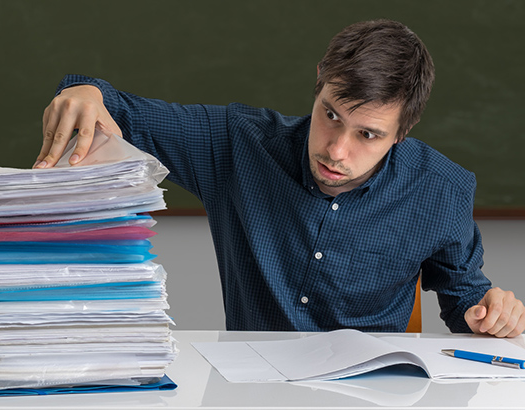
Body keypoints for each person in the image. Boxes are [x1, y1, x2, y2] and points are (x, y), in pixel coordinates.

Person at [35, 19, 525, 337]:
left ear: (403, 132)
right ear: (317, 85)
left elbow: (464, 297)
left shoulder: (441, 187)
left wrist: (489, 310)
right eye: (330, 115)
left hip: (374, 394)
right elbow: (112, 104)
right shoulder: (237, 144)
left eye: (368, 135)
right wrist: (83, 91)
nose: (336, 150)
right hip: (251, 390)